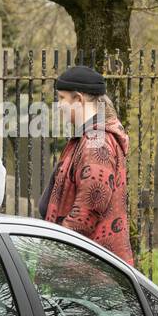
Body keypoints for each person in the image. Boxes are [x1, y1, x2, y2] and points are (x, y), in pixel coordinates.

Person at [41, 65, 134, 264]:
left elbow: (88, 209)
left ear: (79, 99)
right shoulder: (88, 136)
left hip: (89, 270)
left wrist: (54, 251)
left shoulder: (95, 142)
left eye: (62, 99)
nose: (58, 106)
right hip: (83, 265)